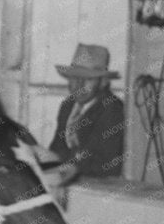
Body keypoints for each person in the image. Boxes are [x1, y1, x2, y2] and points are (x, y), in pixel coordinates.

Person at [48, 43, 126, 181]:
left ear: (103, 82)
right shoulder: (67, 107)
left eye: (88, 79)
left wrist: (73, 167)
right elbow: (57, 148)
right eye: (74, 78)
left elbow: (107, 164)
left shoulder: (112, 110)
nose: (79, 85)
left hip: (98, 189)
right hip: (69, 182)